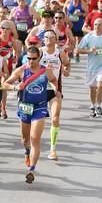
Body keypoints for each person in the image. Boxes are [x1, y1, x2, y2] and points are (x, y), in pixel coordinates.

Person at [3, 46, 58, 183]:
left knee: (35, 139)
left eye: (34, 59)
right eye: (29, 58)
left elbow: (54, 81)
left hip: (40, 107)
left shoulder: (46, 71)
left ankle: (32, 170)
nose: (31, 61)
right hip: (25, 106)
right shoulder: (21, 70)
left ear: (39, 58)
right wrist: (16, 87)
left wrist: (56, 90)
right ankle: (27, 151)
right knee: (25, 140)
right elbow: (5, 84)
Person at [77, 18, 102, 117]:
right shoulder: (88, 37)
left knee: (100, 85)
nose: (97, 27)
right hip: (91, 68)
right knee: (92, 88)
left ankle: (98, 105)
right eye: (95, 24)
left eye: (99, 25)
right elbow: (78, 50)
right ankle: (92, 105)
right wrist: (90, 51)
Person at [40, 30, 70, 160]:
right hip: (39, 89)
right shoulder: (39, 52)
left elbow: (67, 64)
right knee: (37, 121)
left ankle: (53, 149)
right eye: (46, 37)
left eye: (51, 37)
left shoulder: (59, 53)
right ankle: (31, 143)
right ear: (43, 39)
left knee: (55, 118)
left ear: (56, 39)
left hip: (55, 90)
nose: (48, 39)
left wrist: (66, 70)